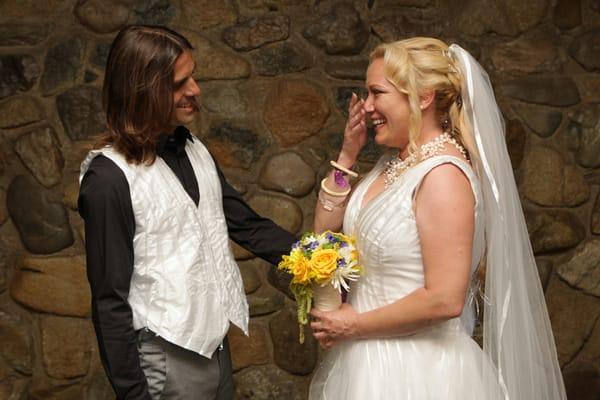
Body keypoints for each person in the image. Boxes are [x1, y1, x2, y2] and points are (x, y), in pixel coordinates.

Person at [308, 38, 566, 399]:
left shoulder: (443, 176)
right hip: (366, 363)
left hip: (420, 372)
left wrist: (355, 324)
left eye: (376, 92)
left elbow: (446, 299)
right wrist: (348, 157)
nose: (366, 107)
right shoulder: (392, 163)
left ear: (423, 96)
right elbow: (324, 231)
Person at [77, 25, 296, 400]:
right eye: (180, 83)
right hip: (164, 360)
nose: (195, 90)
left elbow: (247, 226)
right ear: (142, 90)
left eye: (193, 77)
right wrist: (133, 394)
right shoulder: (108, 179)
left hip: (216, 348)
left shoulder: (194, 149)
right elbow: (108, 300)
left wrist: (324, 260)